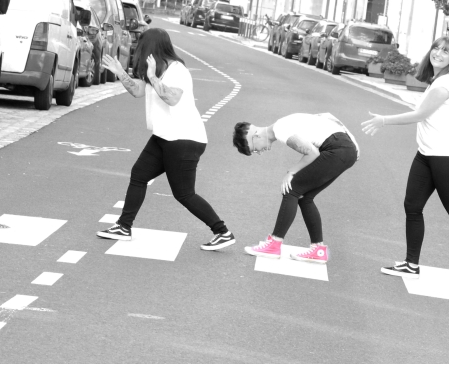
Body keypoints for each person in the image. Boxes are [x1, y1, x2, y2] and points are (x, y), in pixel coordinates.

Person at [361, 37, 449, 288]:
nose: (438, 53)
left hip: (447, 157)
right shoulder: (437, 80)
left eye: (445, 51)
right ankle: (411, 263)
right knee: (412, 205)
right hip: (426, 154)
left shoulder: (446, 84)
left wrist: (383, 120)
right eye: (436, 49)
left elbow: (419, 115)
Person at [97, 28, 234, 251]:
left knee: (184, 194)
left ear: (152, 49)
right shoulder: (157, 70)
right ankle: (123, 226)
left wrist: (152, 76)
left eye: (142, 49)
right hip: (164, 136)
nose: (139, 53)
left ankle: (222, 232)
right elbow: (137, 91)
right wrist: (120, 72)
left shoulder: (177, 70)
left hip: (184, 139)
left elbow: (172, 98)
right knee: (139, 174)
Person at [232, 113, 359, 263]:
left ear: (255, 136)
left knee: (291, 189)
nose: (259, 152)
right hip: (346, 150)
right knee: (305, 197)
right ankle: (318, 249)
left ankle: (274, 244)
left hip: (338, 150)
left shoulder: (281, 129)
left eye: (254, 149)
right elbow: (327, 116)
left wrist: (291, 172)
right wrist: (353, 146)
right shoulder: (283, 122)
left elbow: (312, 153)